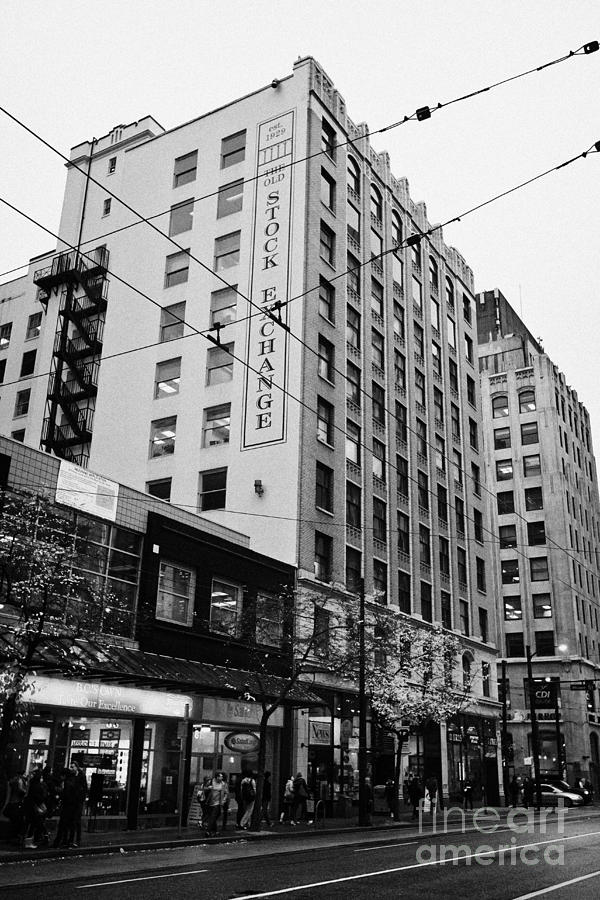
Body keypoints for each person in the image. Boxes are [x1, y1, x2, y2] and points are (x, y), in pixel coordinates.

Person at [23, 768, 49, 848]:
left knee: (32, 824)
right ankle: (29, 842)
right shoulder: (37, 785)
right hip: (35, 806)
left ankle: (28, 841)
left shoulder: (32, 783)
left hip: (31, 806)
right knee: (35, 824)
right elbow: (38, 796)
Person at [69, 761, 88, 847]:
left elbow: (84, 788)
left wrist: (81, 798)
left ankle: (77, 839)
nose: (71, 768)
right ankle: (72, 839)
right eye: (71, 767)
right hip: (73, 801)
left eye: (73, 767)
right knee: (73, 821)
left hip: (78, 801)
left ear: (77, 767)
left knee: (76, 821)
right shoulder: (72, 776)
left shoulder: (81, 776)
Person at [203, 772, 229, 837]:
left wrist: (224, 800)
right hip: (210, 802)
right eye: (220, 776)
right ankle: (215, 831)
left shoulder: (223, 784)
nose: (222, 778)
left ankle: (208, 831)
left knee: (214, 816)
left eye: (222, 777)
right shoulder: (211, 782)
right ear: (216, 777)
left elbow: (226, 793)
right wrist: (208, 788)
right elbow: (204, 788)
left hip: (218, 803)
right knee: (212, 817)